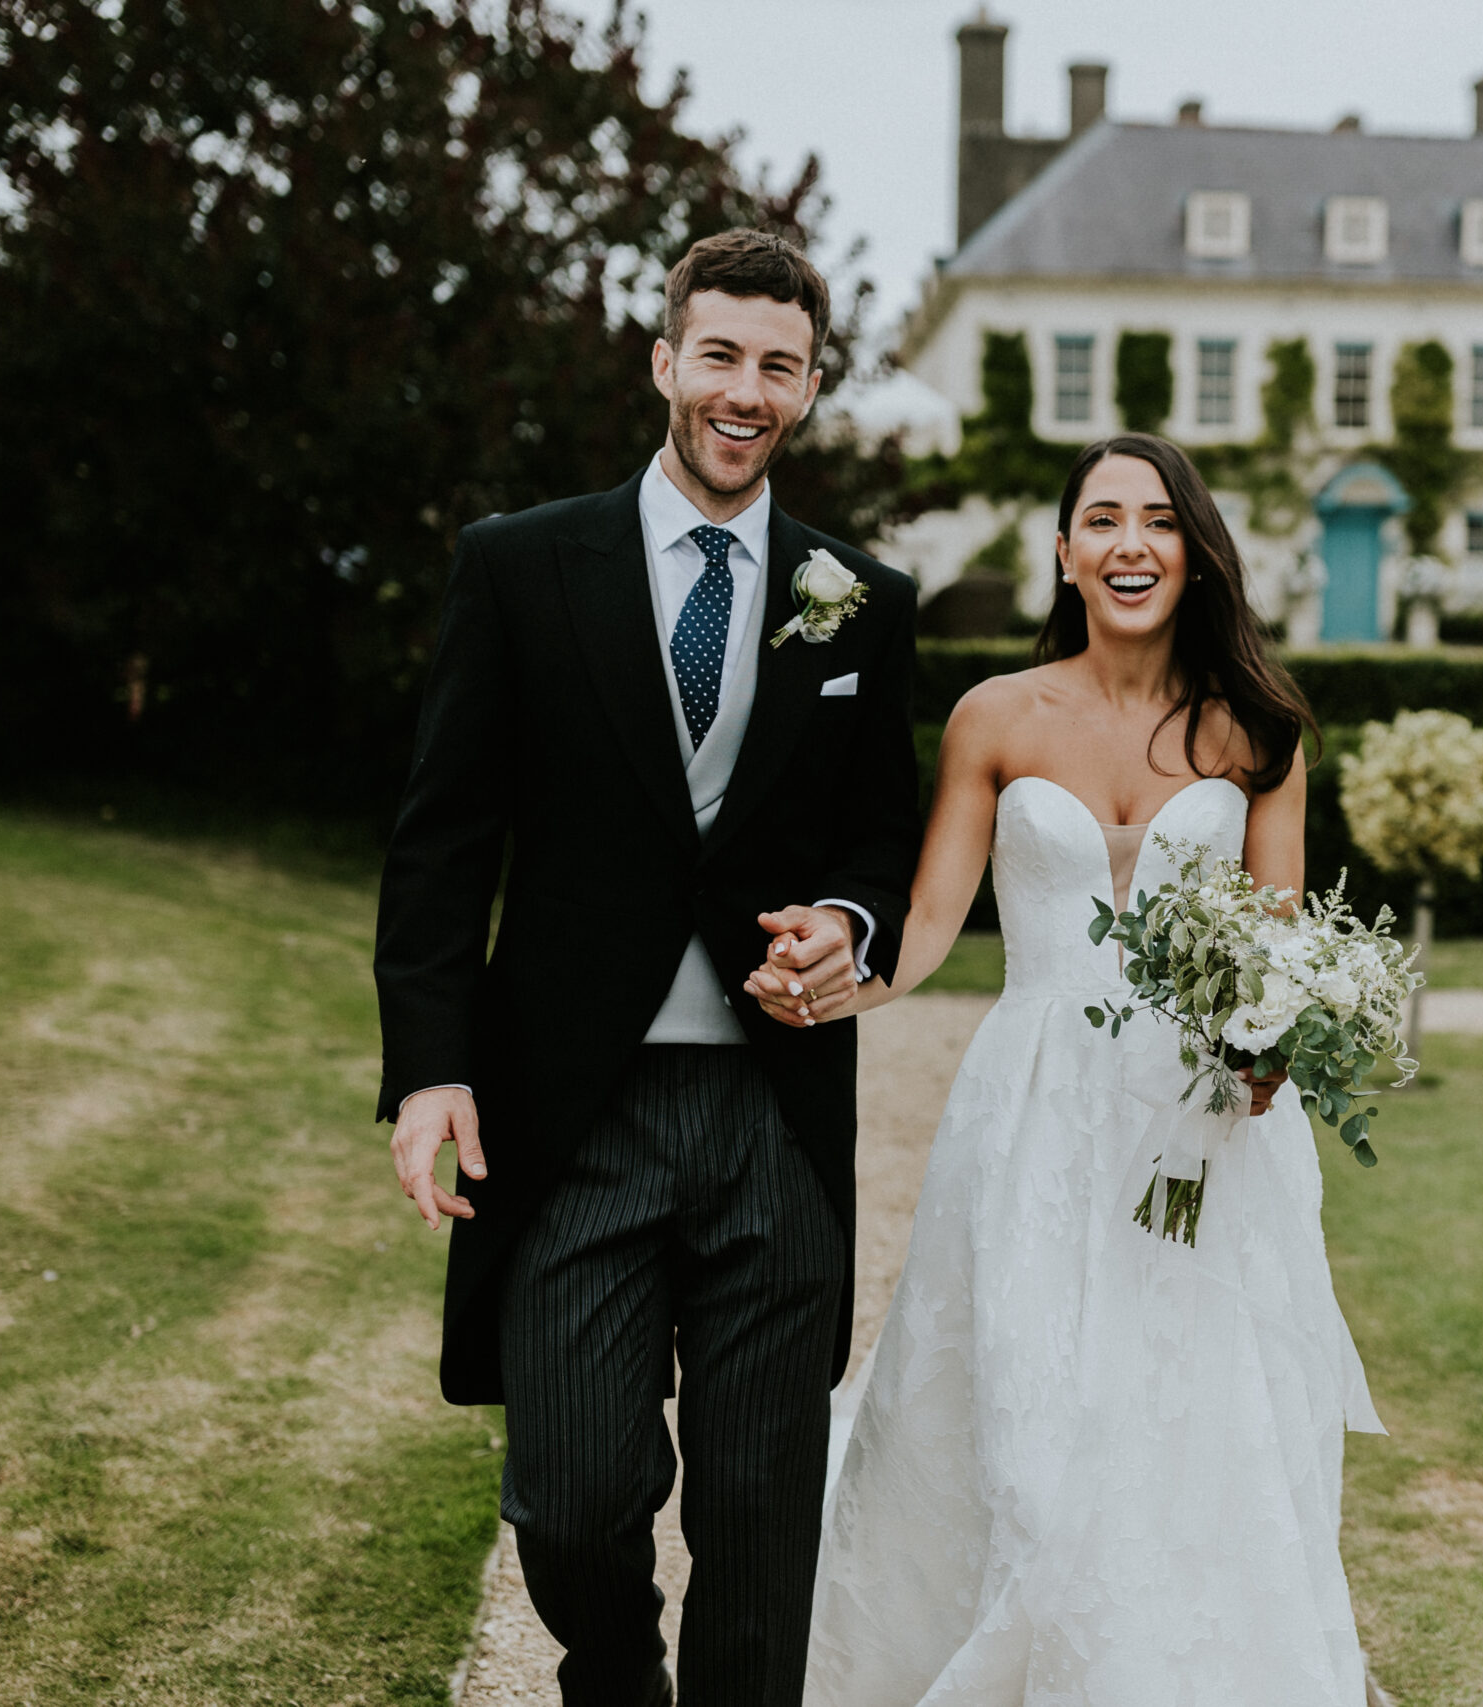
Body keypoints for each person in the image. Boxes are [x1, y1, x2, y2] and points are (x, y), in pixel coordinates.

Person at [372, 228, 921, 1707]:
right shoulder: (519, 566)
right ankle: (612, 1676)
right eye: (722, 355)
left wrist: (851, 927)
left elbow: (886, 844)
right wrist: (431, 1067)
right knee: (568, 1491)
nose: (747, 390)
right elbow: (441, 842)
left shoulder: (862, 600)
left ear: (809, 389)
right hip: (574, 1112)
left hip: (773, 1120)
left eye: (781, 366)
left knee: (757, 1517)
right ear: (667, 360)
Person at [747, 434, 1386, 1705]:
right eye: (1102, 520)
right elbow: (925, 932)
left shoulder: (1259, 729)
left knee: (1189, 1420)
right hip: (1032, 1112)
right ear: (1063, 553)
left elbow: (1278, 943)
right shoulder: (994, 715)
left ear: (1198, 555)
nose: (1130, 544)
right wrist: (829, 976)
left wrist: (1274, 1053)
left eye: (1159, 521)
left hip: (1199, 1127)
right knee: (1027, 1415)